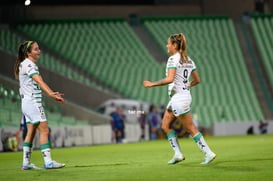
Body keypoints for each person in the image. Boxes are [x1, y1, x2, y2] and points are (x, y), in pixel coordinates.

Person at [143, 33, 216, 165]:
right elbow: (197, 80)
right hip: (180, 97)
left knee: (191, 128)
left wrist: (152, 84)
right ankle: (177, 154)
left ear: (175, 45)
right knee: (165, 126)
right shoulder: (189, 60)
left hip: (179, 99)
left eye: (169, 43)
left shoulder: (172, 59)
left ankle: (208, 153)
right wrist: (187, 85)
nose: (167, 45)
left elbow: (170, 79)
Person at [14, 40, 65, 170]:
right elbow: (39, 80)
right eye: (36, 49)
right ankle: (48, 161)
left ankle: (26, 163)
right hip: (33, 102)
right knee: (44, 130)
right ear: (28, 52)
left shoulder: (23, 64)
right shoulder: (29, 65)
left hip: (26, 103)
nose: (39, 51)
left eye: (39, 48)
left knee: (30, 131)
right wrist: (51, 93)